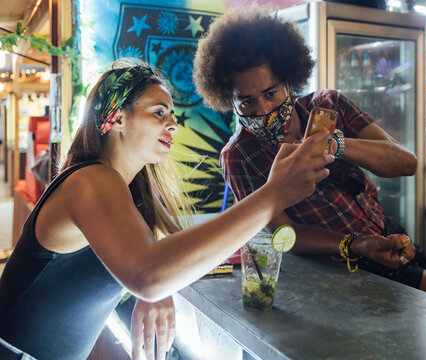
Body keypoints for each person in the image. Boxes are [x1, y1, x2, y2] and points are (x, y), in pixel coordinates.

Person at [192, 10, 426, 324]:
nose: (263, 109)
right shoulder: (239, 156)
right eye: (247, 102)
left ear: (288, 81)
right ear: (229, 102)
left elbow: (405, 162)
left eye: (271, 92)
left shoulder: (328, 105)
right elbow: (284, 234)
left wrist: (337, 144)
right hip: (338, 270)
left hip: (389, 239)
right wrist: (354, 245)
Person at [0, 59, 336, 360]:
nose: (173, 124)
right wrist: (273, 195)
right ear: (116, 117)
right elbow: (149, 274)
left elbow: (152, 264)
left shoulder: (122, 190)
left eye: (172, 114)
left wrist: (155, 288)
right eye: (159, 112)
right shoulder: (90, 179)